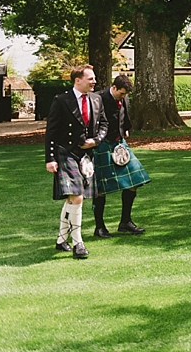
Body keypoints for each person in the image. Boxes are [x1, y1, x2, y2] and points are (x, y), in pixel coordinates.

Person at [45, 64, 109, 259]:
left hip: (85, 155)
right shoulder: (61, 100)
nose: (94, 81)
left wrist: (96, 140)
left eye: (94, 78)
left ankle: (61, 239)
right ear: (77, 80)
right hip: (66, 152)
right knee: (77, 196)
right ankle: (78, 242)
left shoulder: (96, 99)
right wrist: (50, 158)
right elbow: (52, 131)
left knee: (72, 198)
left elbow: (104, 124)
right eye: (90, 78)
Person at [91, 75, 150, 238]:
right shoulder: (99, 99)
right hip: (102, 144)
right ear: (114, 88)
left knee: (134, 181)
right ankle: (100, 227)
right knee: (100, 187)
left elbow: (124, 115)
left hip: (119, 142)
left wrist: (124, 128)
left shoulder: (124, 97)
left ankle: (125, 222)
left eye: (125, 94)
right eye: (121, 93)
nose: (123, 97)